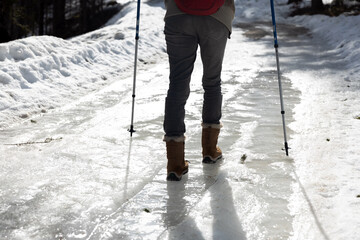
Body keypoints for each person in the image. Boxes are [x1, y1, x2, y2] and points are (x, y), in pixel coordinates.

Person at [163, 0, 235, 181]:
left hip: (178, 15)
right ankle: (210, 150)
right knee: (212, 82)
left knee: (177, 83)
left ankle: (175, 163)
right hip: (217, 16)